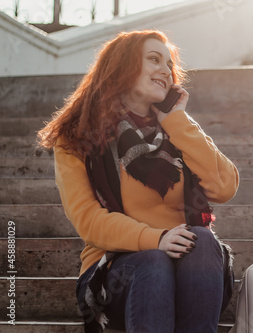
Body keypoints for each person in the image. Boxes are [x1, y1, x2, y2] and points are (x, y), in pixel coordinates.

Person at [37, 29, 239, 333]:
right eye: (154, 59)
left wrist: (176, 120)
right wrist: (156, 239)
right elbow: (89, 221)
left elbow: (224, 186)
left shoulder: (176, 129)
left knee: (205, 241)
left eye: (169, 65)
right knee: (154, 262)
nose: (165, 71)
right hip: (117, 272)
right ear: (122, 66)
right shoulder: (77, 138)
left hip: (190, 271)